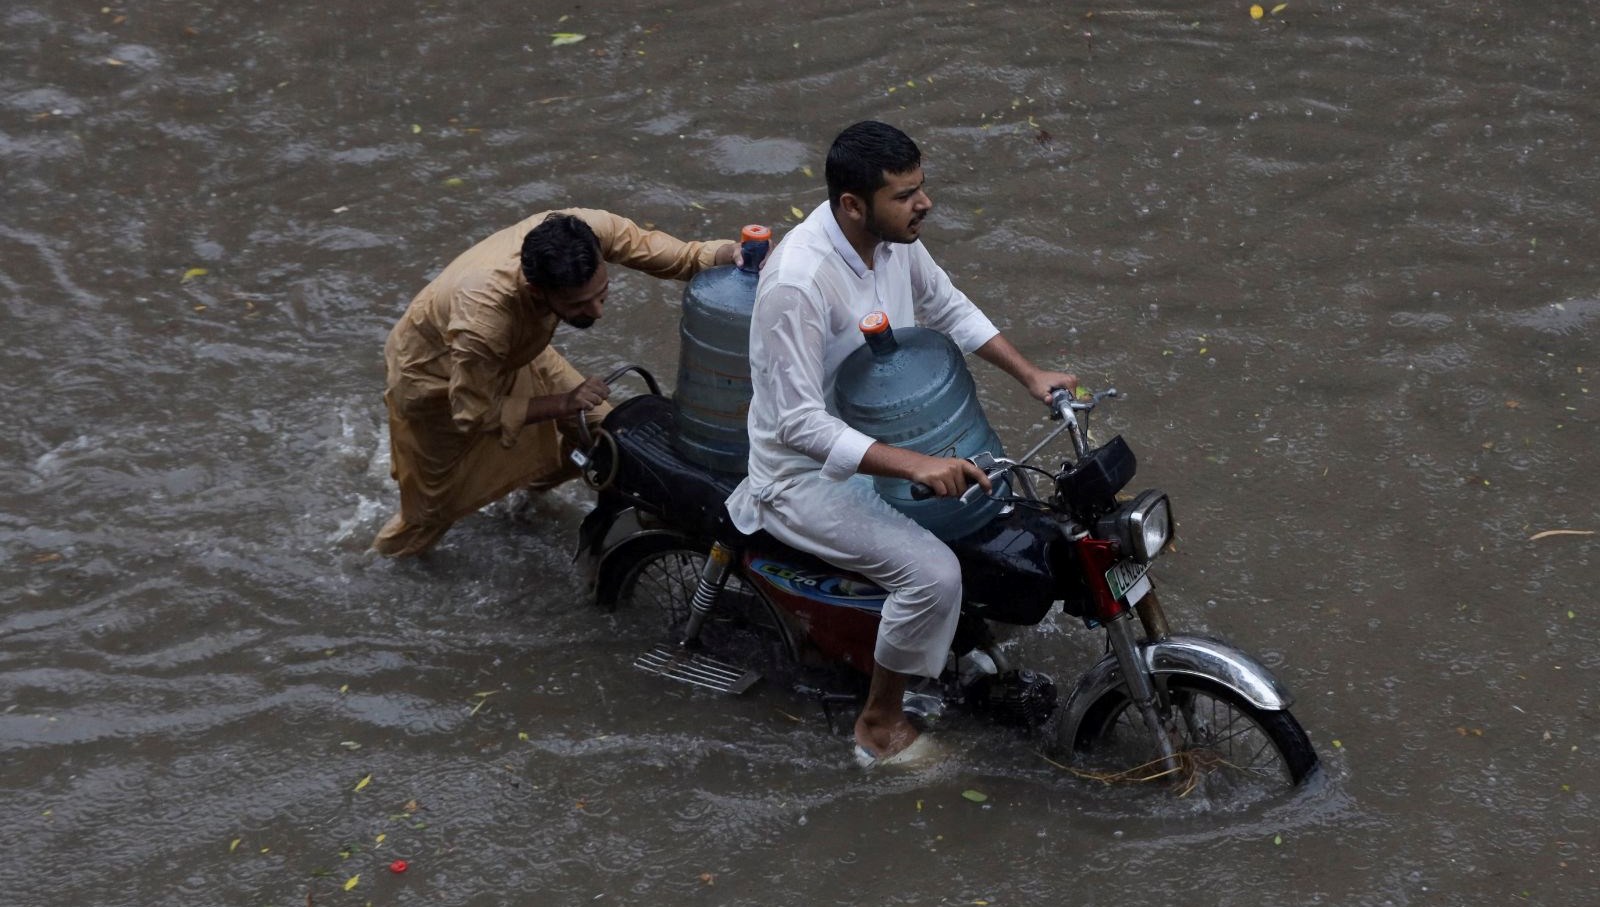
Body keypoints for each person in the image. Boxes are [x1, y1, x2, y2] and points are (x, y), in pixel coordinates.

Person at [724, 122, 1078, 765]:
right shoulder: (798, 283)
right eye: (905, 194)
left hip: (886, 445)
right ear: (852, 205)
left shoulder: (893, 242)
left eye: (922, 187)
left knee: (1001, 508)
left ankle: (958, 657)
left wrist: (1031, 375)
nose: (925, 205)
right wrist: (915, 462)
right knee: (932, 575)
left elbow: (947, 305)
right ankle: (878, 725)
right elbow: (796, 424)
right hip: (805, 476)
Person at [373, 209, 737, 556]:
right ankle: (381, 563)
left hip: (518, 354)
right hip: (435, 382)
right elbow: (473, 413)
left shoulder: (587, 230)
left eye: (602, 292)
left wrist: (731, 253)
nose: (597, 312)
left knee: (609, 439)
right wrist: (562, 403)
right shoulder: (483, 323)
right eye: (579, 305)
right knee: (430, 513)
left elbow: (680, 256)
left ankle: (525, 498)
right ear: (536, 293)